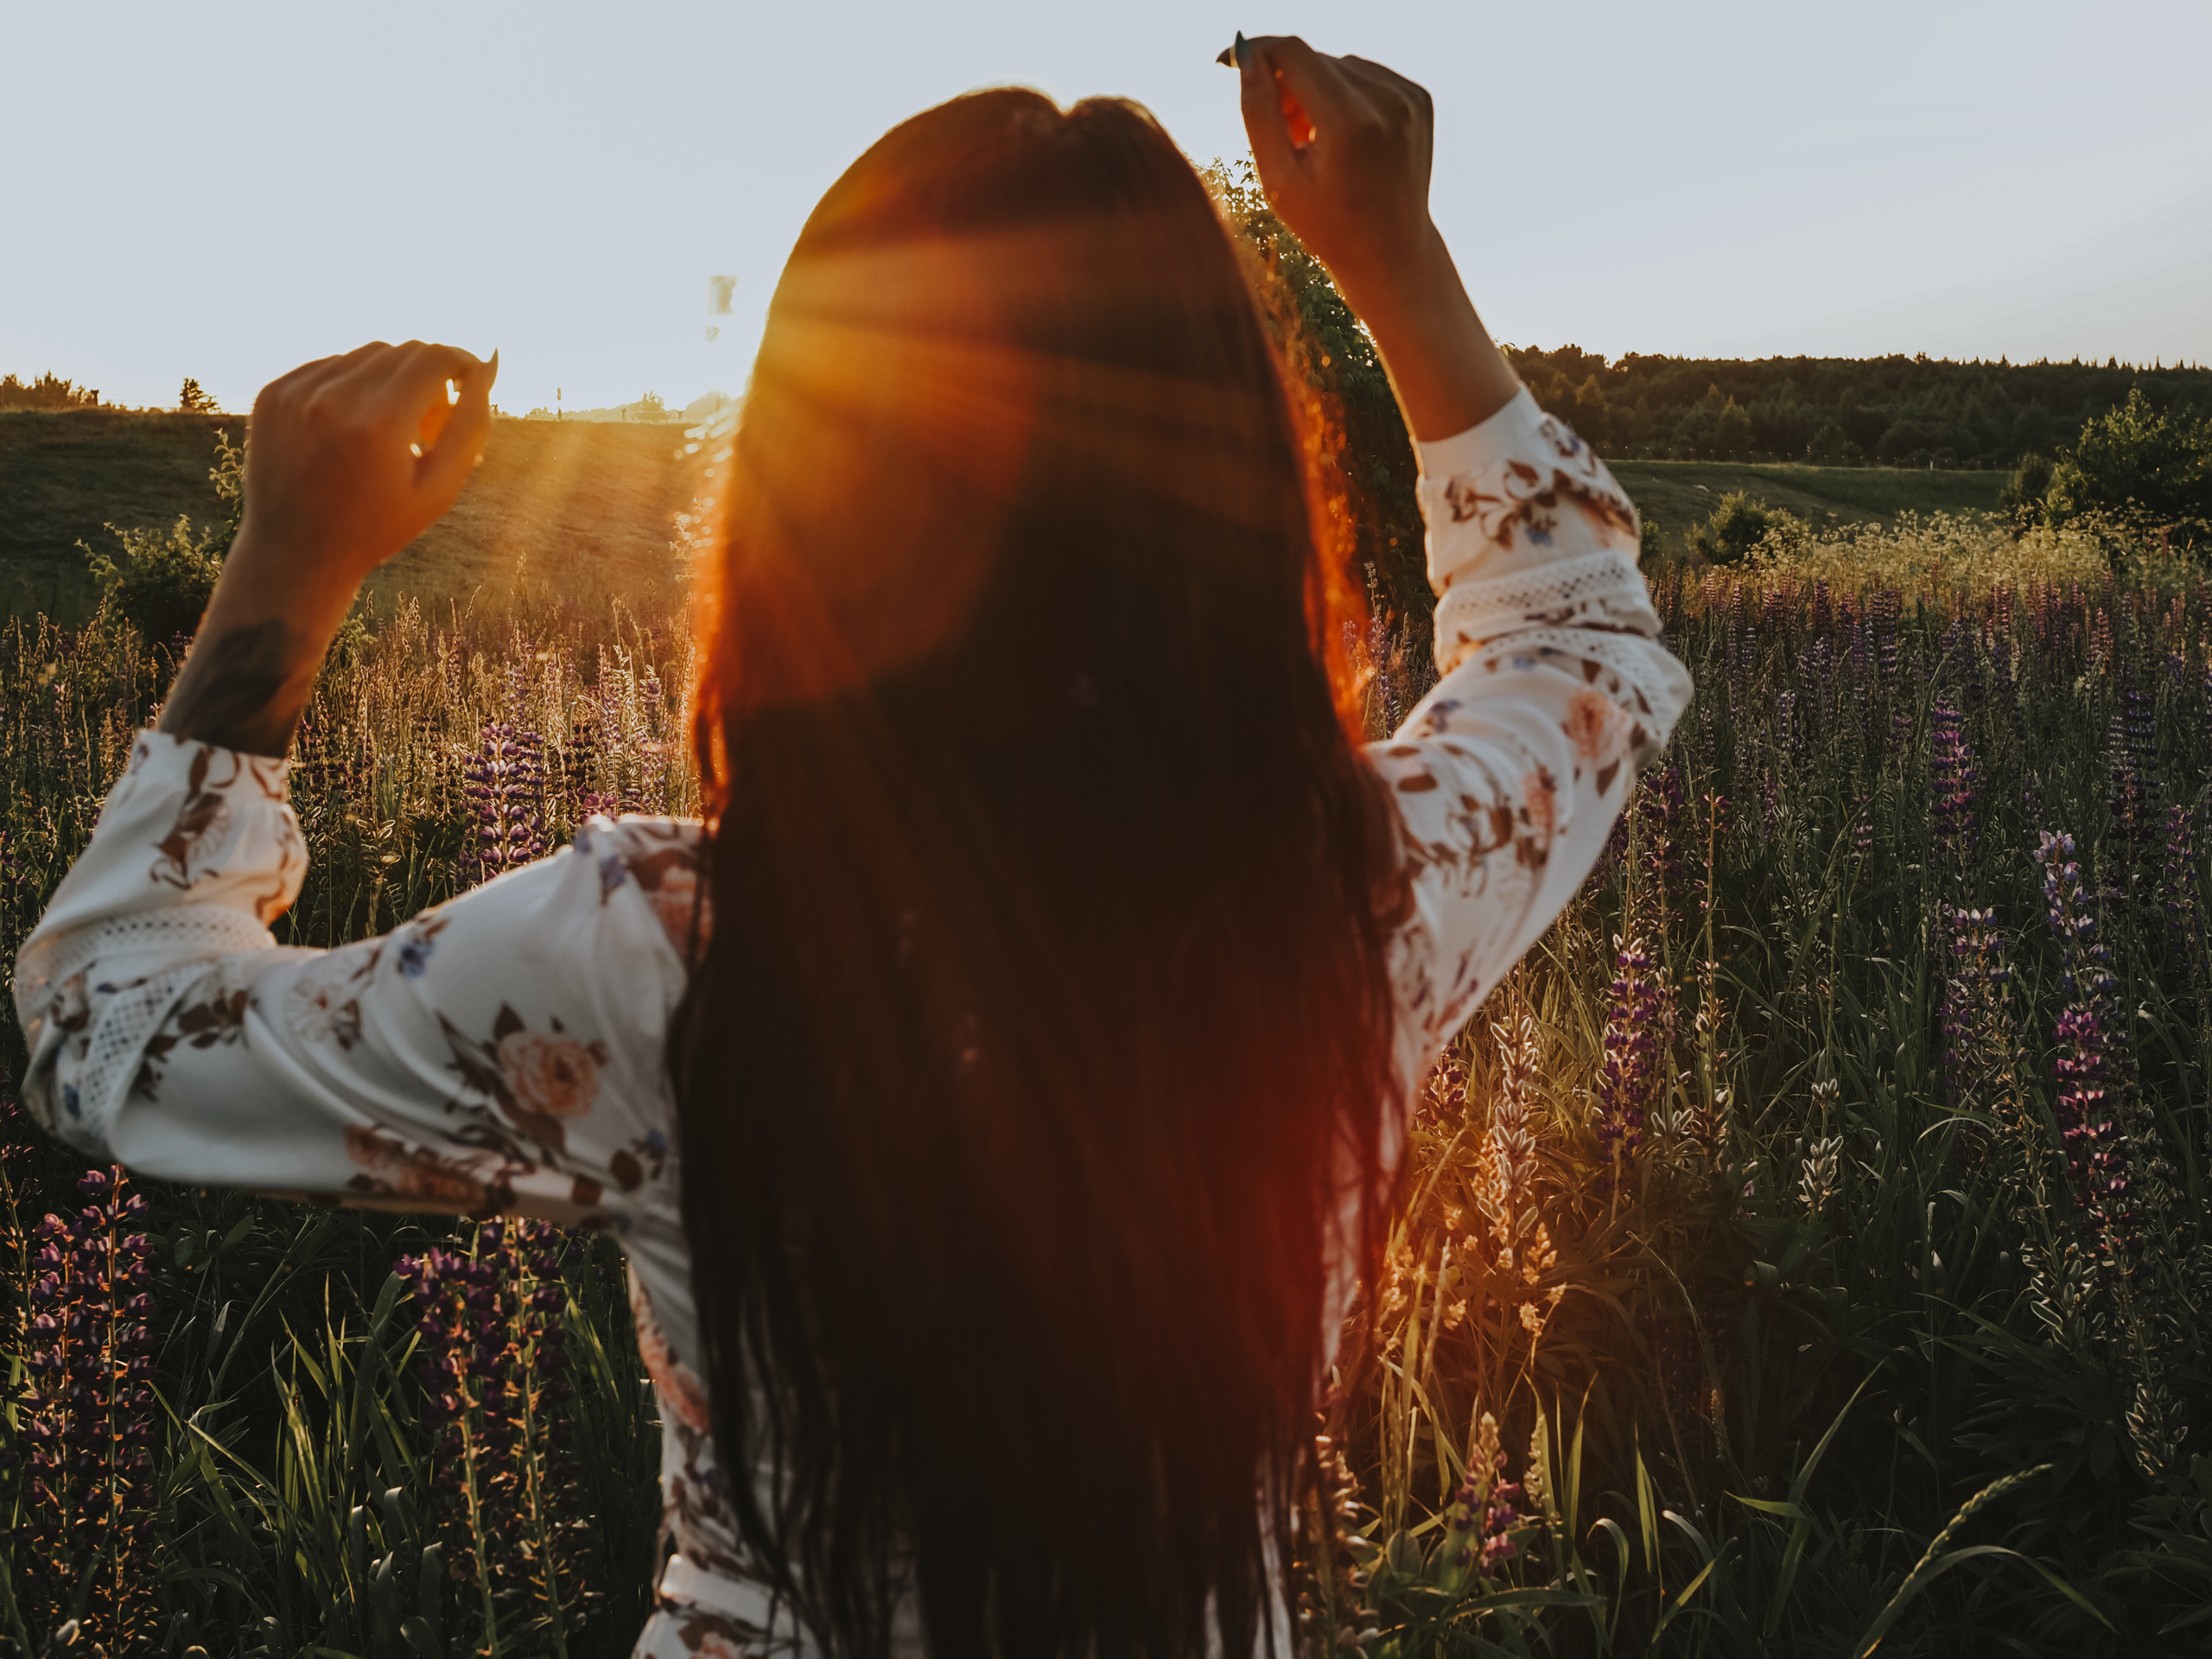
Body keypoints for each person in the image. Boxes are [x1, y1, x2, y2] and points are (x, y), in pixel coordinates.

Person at [12, 35, 1688, 1659]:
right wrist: (1392, 263)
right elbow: (1576, 639)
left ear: (806, 504)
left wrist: (290, 563)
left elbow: (109, 1031)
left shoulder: (662, 954)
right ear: (1237, 491)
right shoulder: (1354, 898)